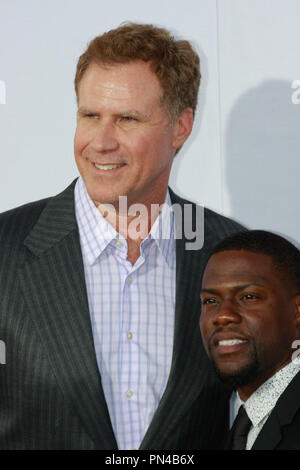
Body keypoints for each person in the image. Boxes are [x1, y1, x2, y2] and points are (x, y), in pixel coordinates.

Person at [0, 23, 244, 450]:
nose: (101, 141)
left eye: (127, 119)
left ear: (180, 127)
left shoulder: (231, 253)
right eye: (90, 115)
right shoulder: (5, 248)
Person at [200, 230, 300, 450]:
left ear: (296, 310)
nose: (222, 315)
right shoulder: (208, 421)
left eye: (248, 297)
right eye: (210, 300)